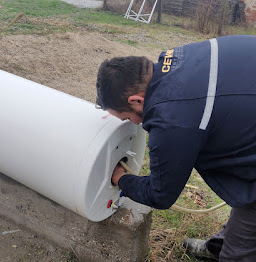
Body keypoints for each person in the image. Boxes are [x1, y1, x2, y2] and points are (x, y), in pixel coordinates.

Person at [95, 35, 256, 262]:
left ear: (136, 100)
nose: (132, 123)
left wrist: (121, 178)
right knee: (245, 196)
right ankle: (218, 247)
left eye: (126, 117)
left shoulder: (172, 118)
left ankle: (232, 253)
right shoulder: (176, 58)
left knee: (241, 247)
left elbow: (160, 194)